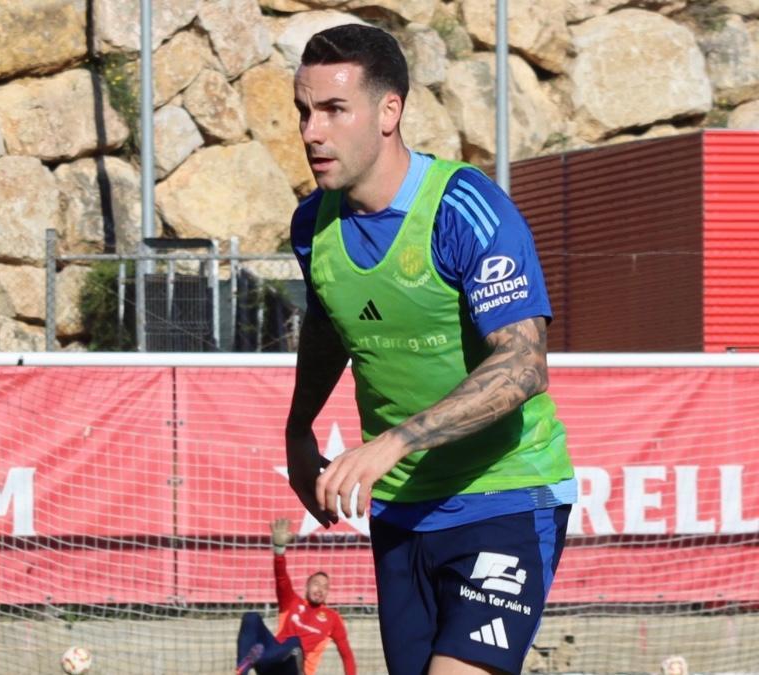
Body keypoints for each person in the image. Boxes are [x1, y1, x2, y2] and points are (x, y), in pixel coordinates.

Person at [282, 24, 575, 675]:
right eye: (303, 111)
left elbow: (524, 365)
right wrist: (298, 427)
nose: (311, 131)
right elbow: (333, 322)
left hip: (506, 493)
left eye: (333, 110)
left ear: (390, 111)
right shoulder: (312, 225)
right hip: (403, 510)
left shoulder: (464, 209)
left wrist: (395, 440)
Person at [236, 518, 356, 675]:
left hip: (296, 669)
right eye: (316, 584)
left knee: (295, 644)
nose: (320, 589)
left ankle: (258, 656)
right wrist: (279, 550)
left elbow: (347, 655)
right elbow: (281, 579)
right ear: (307, 586)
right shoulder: (291, 602)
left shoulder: (333, 618)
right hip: (273, 660)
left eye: (325, 587)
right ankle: (242, 670)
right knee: (251, 617)